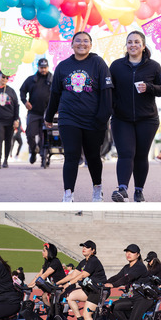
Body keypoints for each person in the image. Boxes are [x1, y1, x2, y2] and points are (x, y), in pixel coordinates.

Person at [45, 31, 113, 202]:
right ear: (72, 44)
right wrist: (49, 116)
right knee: (71, 155)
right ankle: (68, 194)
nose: (82, 44)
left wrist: (103, 118)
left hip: (93, 119)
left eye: (85, 41)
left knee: (93, 156)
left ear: (91, 45)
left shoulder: (98, 63)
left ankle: (97, 188)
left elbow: (107, 93)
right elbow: (55, 94)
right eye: (78, 41)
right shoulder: (63, 66)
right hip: (69, 118)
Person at [108, 31, 161, 202]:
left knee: (141, 155)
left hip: (147, 119)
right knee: (125, 153)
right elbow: (109, 91)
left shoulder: (154, 66)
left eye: (136, 42)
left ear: (143, 45)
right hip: (121, 118)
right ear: (126, 45)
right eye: (129, 42)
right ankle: (122, 189)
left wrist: (149, 87)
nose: (132, 45)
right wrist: (110, 110)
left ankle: (139, 191)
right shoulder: (116, 66)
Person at [56, 239, 107, 320]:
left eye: (87, 247)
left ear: (93, 250)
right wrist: (58, 283)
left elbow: (83, 275)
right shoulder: (83, 262)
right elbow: (72, 275)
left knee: (87, 314)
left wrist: (67, 285)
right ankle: (80, 319)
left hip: (98, 291)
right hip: (90, 290)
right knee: (69, 296)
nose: (84, 248)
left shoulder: (93, 261)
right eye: (83, 247)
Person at [105, 243, 149, 320]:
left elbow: (128, 278)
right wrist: (104, 283)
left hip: (140, 299)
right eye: (127, 252)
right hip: (131, 297)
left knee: (118, 308)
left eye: (132, 252)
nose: (128, 254)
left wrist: (113, 285)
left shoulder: (140, 267)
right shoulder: (126, 267)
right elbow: (117, 277)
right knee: (113, 307)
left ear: (138, 255)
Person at [19, 58, 53, 164]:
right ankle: (33, 151)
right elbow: (22, 91)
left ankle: (44, 156)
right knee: (30, 134)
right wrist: (25, 102)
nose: (43, 70)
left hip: (47, 113)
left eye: (45, 67)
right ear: (38, 67)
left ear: (48, 67)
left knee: (45, 136)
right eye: (41, 67)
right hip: (33, 112)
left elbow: (58, 94)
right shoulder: (31, 79)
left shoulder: (53, 79)